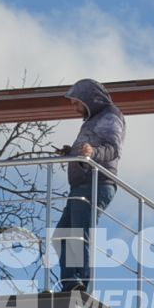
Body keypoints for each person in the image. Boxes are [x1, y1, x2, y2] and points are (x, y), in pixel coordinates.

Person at [54, 79, 125, 294]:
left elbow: (112, 148)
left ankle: (78, 284)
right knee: (61, 235)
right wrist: (72, 151)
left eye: (77, 103)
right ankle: (71, 282)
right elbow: (89, 146)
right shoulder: (94, 119)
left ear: (89, 100)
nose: (74, 108)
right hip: (82, 183)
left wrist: (91, 153)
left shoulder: (110, 116)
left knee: (77, 232)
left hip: (96, 181)